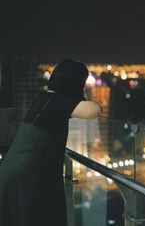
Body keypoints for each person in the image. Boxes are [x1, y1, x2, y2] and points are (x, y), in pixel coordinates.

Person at [0, 59, 101, 226]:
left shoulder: (44, 98)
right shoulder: (57, 102)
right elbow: (94, 110)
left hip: (14, 174)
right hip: (27, 180)